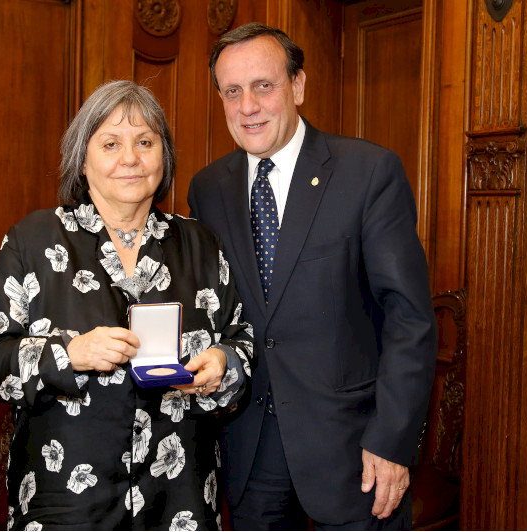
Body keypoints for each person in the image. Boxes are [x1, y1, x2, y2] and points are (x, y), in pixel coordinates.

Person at [0, 80, 254, 530]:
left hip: (180, 494)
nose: (130, 158)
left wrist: (223, 362)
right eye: (111, 143)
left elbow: (242, 339)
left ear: (164, 156)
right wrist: (68, 353)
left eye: (145, 142)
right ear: (82, 160)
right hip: (67, 497)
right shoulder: (34, 241)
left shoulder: (199, 243)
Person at [187, 23, 437, 530]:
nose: (248, 106)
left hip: (353, 454)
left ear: (297, 86)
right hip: (249, 452)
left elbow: (408, 318)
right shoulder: (207, 189)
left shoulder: (368, 172)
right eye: (232, 91)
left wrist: (391, 442)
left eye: (263, 85)